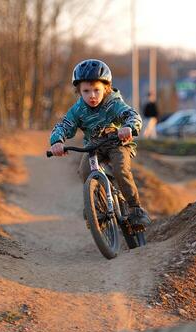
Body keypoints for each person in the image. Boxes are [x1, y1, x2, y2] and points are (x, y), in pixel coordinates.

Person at [49, 59, 151, 227]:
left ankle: (135, 208)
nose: (92, 96)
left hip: (117, 141)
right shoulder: (78, 110)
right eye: (86, 91)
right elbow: (63, 125)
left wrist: (128, 127)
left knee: (121, 169)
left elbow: (131, 114)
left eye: (97, 90)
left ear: (106, 88)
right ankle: (95, 208)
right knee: (84, 171)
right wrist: (57, 141)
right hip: (94, 145)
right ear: (79, 91)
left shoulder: (113, 102)